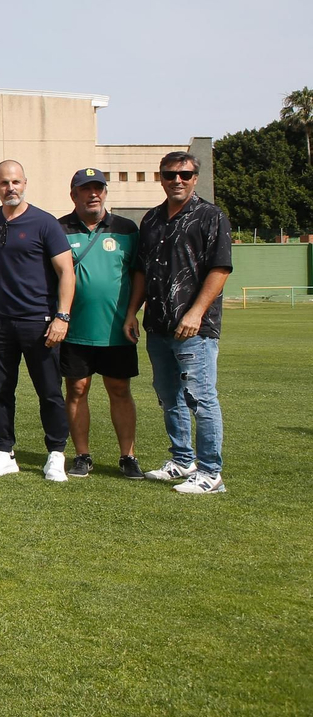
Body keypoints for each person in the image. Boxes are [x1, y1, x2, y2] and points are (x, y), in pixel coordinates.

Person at [125, 151, 233, 495]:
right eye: (170, 175)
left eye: (185, 174)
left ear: (195, 177)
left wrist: (196, 313)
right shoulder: (152, 219)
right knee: (168, 396)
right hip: (159, 325)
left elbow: (219, 269)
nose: (178, 181)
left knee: (200, 398)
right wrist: (133, 312)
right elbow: (141, 270)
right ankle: (182, 460)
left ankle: (211, 472)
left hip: (194, 328)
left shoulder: (210, 217)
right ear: (161, 177)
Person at [0, 161, 76, 481]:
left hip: (40, 322)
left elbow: (66, 272)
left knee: (49, 391)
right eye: (5, 183)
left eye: (16, 182)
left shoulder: (45, 223)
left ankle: (56, 453)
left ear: (25, 183)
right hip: (0, 322)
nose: (11, 188)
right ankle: (4, 451)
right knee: (1, 390)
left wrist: (61, 316)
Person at [57, 168, 143, 479]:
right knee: (77, 389)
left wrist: (133, 312)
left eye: (99, 188)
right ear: (74, 194)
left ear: (105, 192)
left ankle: (128, 456)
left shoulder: (126, 228)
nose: (94, 194)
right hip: (74, 328)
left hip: (117, 328)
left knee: (119, 388)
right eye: (86, 189)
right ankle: (82, 455)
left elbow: (138, 274)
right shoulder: (59, 229)